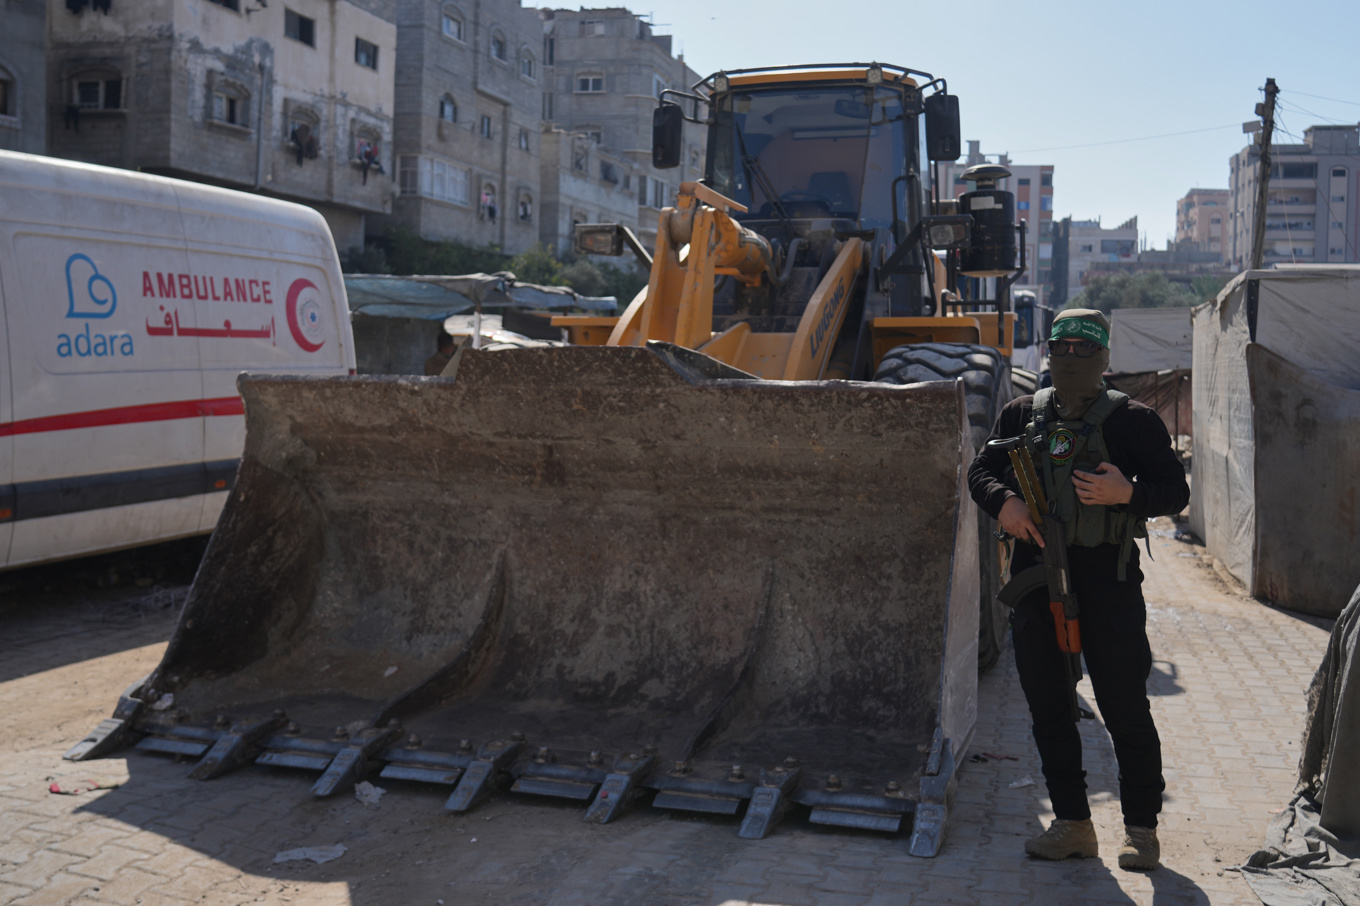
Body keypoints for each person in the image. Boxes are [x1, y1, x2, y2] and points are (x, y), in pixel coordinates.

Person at [968, 309, 1189, 871]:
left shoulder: (1134, 421)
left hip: (1109, 586)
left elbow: (1174, 490)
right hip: (1034, 581)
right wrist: (1005, 503)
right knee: (1049, 708)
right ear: (1048, 352)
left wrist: (1127, 493)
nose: (1070, 357)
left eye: (1083, 348)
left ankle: (1141, 831)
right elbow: (980, 470)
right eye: (1060, 347)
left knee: (1125, 709)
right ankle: (1072, 825)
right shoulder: (1022, 413)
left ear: (1104, 356)